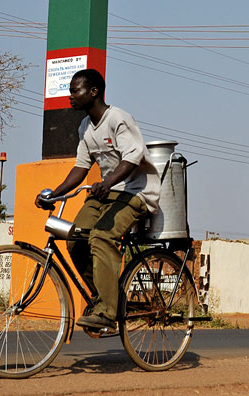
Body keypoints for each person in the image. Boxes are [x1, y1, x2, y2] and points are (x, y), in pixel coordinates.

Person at [34, 68, 160, 333]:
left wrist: (108, 182)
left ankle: (105, 313)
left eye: (74, 90)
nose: (70, 96)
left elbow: (132, 157)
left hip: (134, 192)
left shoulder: (118, 119)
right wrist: (54, 194)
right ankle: (107, 300)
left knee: (101, 237)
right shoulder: (85, 127)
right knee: (74, 239)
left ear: (93, 92)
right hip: (105, 192)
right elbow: (81, 167)